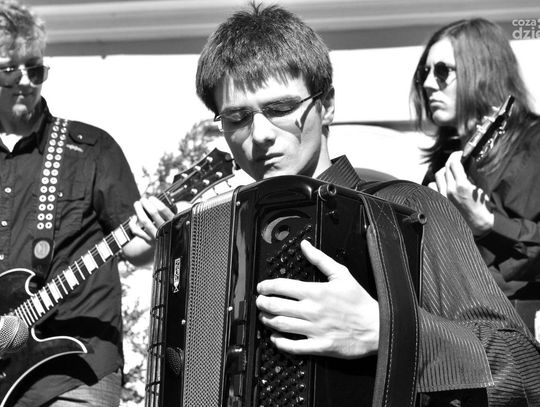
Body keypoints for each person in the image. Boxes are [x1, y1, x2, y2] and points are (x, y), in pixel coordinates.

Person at [195, 3, 540, 405]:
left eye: (281, 109)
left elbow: (525, 370)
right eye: (237, 118)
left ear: (327, 105)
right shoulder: (218, 240)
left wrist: (387, 332)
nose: (259, 135)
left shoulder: (405, 210)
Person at [0, 1, 174, 406]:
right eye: (10, 69)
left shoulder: (91, 149)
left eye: (35, 70)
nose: (25, 81)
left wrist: (156, 232)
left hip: (76, 370)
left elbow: (136, 248)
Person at [412, 18, 540, 335]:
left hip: (514, 336)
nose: (428, 84)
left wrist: (487, 224)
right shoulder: (446, 160)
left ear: (481, 70)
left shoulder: (535, 143)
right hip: (451, 329)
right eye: (424, 72)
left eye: (442, 71)